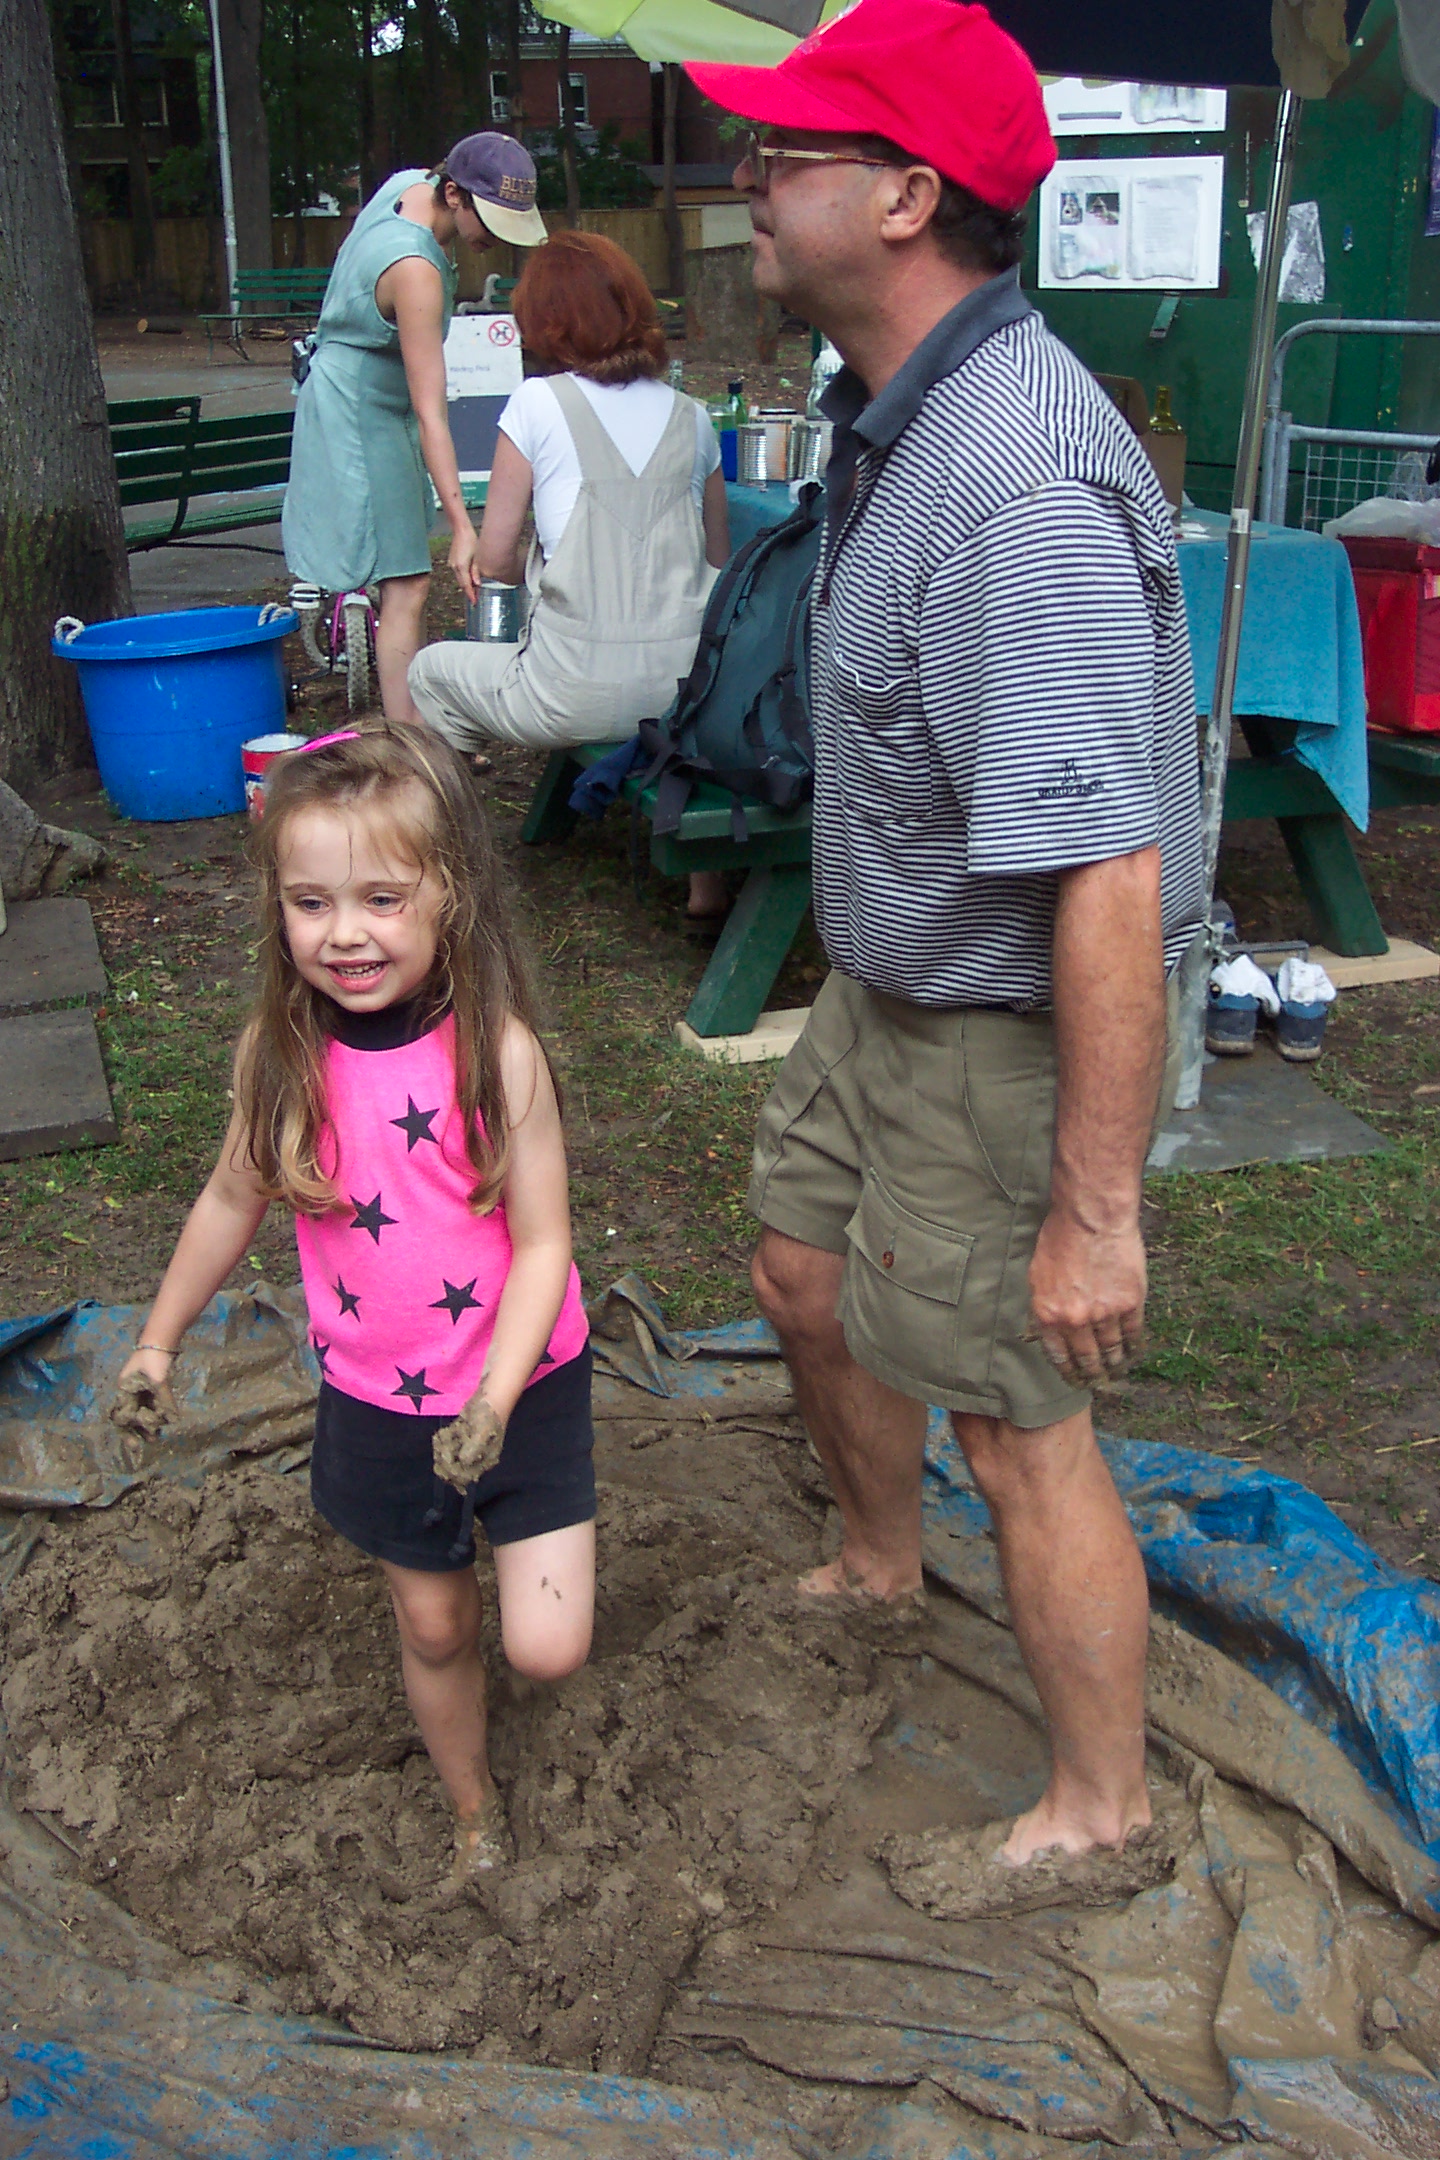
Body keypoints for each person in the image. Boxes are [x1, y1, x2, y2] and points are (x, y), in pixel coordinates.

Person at [688, 0, 1205, 1919]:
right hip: (885, 988)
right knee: (801, 1271)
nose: (750, 178)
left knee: (1018, 1418)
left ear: (908, 197)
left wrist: (1093, 1212)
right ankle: (881, 1561)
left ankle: (1100, 1807)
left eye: (787, 152)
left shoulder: (1019, 481)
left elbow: (1111, 879)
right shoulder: (894, 407)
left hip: (1002, 1028)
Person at [110, 723, 593, 1885]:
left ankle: (527, 1571)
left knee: (547, 1647)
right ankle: (474, 1812)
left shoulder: (500, 1054)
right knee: (435, 1624)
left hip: (520, 1385)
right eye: (311, 902)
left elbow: (544, 1247)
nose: (345, 933)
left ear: (449, 893)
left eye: (382, 898)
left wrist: (494, 1401)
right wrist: (156, 1343)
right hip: (379, 1398)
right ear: (278, 908)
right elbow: (229, 1199)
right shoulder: (277, 1058)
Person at [407, 230, 731, 919]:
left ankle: (446, 860)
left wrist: (486, 554)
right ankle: (707, 888)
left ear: (546, 321)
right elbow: (717, 562)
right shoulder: (694, 418)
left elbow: (496, 560)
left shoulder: (537, 404)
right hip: (684, 698)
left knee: (429, 673)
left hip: (571, 692)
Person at [283, 137, 547, 724]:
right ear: (453, 193)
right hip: (360, 413)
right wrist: (461, 526)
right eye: (490, 220)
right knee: (407, 583)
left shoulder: (407, 185)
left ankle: (413, 725)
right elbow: (433, 411)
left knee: (401, 574)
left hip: (356, 392)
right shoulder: (417, 272)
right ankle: (410, 743)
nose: (498, 238)